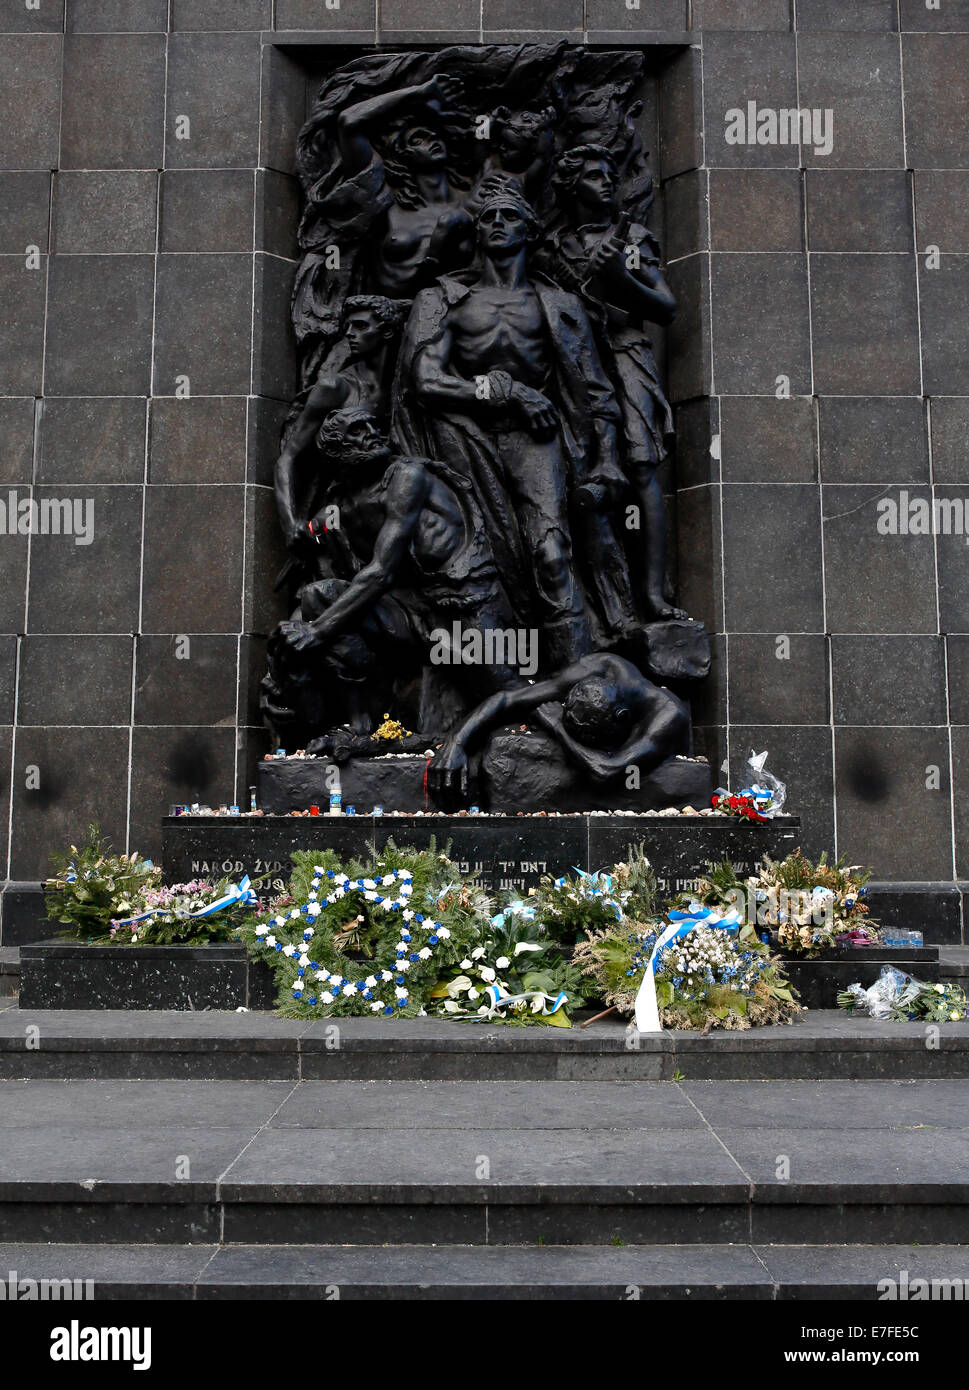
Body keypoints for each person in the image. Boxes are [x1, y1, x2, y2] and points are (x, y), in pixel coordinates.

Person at [394, 187, 637, 666]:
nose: (498, 223)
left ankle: (578, 677)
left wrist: (607, 461)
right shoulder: (442, 298)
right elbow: (424, 380)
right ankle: (491, 674)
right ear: (478, 232)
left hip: (537, 439)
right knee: (474, 558)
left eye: (510, 216)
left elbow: (594, 391)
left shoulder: (560, 304)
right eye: (489, 218)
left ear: (529, 230)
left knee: (550, 554)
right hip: (463, 437)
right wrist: (503, 390)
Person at [542, 144, 684, 619]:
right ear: (571, 187)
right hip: (571, 363)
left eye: (610, 175)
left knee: (642, 467)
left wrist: (621, 278)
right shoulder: (552, 246)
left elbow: (664, 308)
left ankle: (652, 592)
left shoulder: (630, 238)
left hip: (624, 353)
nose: (606, 182)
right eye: (595, 176)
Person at [427, 649, 689, 802]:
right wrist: (458, 741)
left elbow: (607, 770)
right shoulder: (600, 667)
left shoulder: (668, 717)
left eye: (588, 737)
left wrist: (557, 728)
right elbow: (510, 698)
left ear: (621, 719)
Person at [274, 295, 408, 560]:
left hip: (396, 498)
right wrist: (290, 522)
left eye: (360, 326)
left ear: (388, 332)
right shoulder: (335, 388)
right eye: (348, 326)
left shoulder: (403, 385)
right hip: (346, 510)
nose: (349, 333)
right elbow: (289, 457)